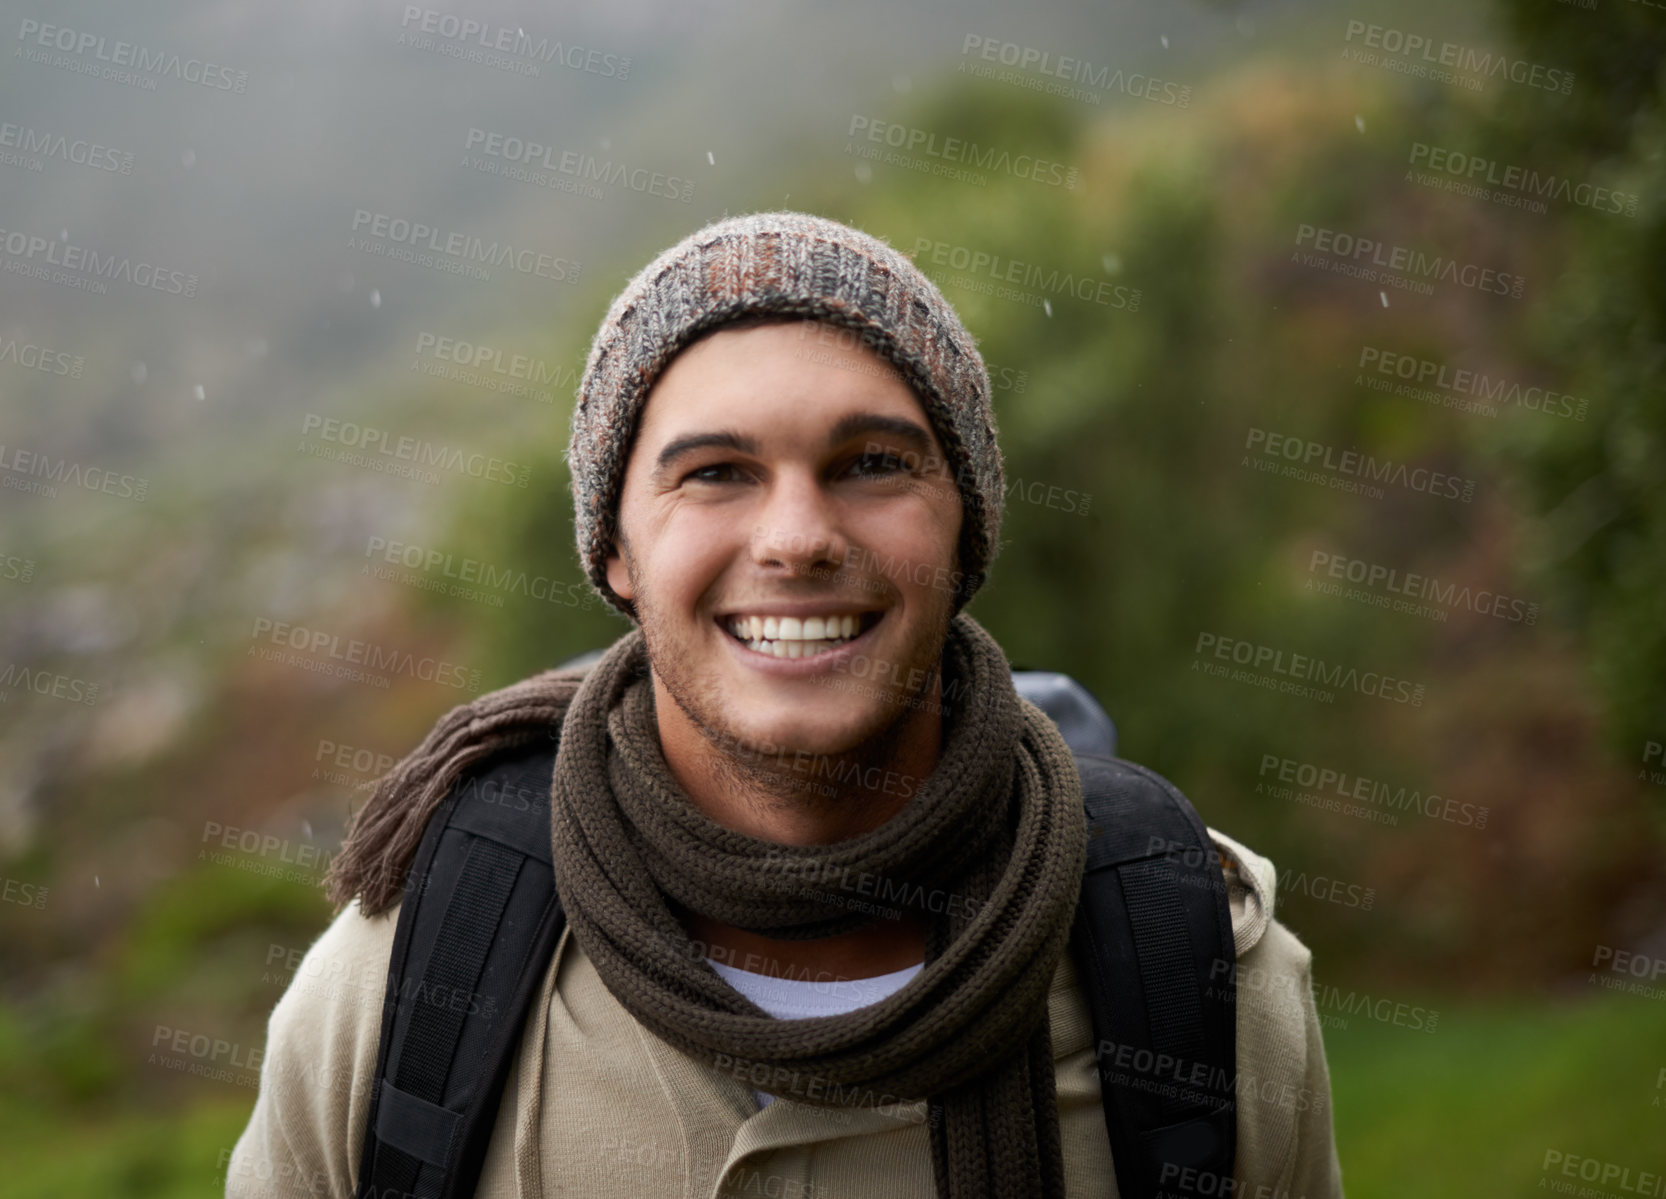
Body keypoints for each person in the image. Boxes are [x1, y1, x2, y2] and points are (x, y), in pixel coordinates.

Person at [227, 210, 1344, 1198]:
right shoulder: (403, 980)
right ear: (614, 549)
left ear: (967, 531)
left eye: (871, 463)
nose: (798, 536)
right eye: (713, 472)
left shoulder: (1207, 981)